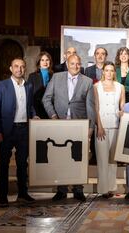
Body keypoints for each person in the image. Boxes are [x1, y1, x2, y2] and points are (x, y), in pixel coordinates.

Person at [42, 54, 95, 202]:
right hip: (60, 123)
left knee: (78, 158)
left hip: (80, 125)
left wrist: (90, 129)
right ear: (67, 64)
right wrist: (53, 116)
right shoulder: (57, 78)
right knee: (61, 158)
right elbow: (46, 98)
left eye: (78, 64)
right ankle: (62, 190)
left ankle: (78, 189)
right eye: (72, 63)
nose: (76, 66)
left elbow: (91, 107)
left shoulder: (88, 81)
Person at [0, 58, 37, 207]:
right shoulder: (1, 86)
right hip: (6, 131)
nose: (19, 69)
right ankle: (3, 196)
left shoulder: (28, 86)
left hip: (23, 130)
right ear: (11, 68)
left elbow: (29, 106)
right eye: (16, 66)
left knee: (23, 163)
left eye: (22, 67)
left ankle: (22, 194)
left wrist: (34, 114)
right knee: (3, 163)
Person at [94, 62, 125, 199]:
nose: (109, 73)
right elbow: (96, 108)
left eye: (111, 70)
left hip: (116, 126)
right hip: (102, 126)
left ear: (114, 73)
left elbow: (122, 106)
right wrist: (99, 126)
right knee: (102, 158)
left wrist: (122, 113)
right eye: (106, 70)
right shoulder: (96, 87)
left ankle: (112, 187)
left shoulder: (120, 87)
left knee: (113, 160)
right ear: (103, 72)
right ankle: (103, 189)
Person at [85, 47, 109, 165]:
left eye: (103, 54)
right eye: (98, 54)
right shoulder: (88, 70)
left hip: (108, 104)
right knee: (94, 128)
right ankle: (94, 156)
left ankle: (107, 156)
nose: (100, 56)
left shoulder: (110, 69)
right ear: (94, 56)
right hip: (93, 103)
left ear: (106, 56)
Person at [28, 51, 53, 119]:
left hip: (51, 111)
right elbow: (29, 96)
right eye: (42, 60)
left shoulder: (54, 76)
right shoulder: (32, 76)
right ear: (39, 62)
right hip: (37, 111)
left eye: (47, 60)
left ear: (50, 62)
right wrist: (33, 113)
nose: (45, 62)